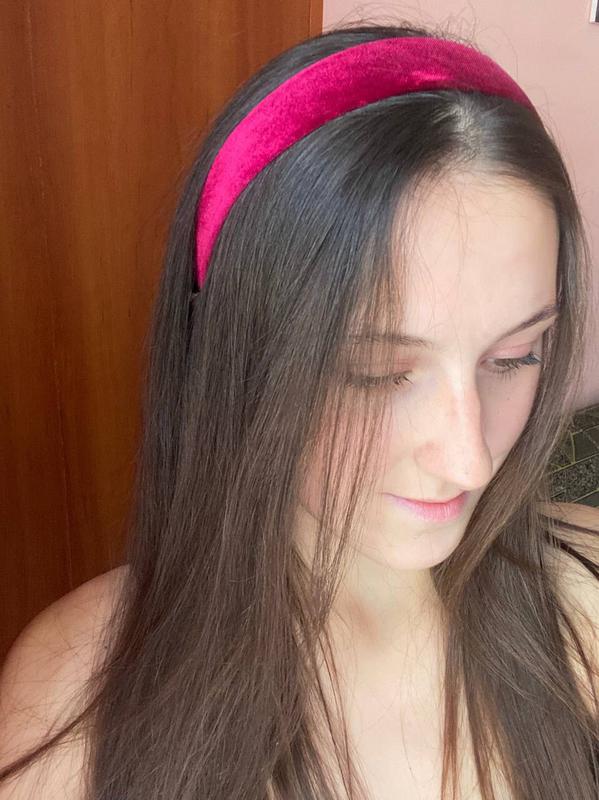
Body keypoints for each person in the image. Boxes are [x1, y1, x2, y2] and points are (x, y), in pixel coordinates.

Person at [1, 20, 599, 800]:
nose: (470, 458)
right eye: (375, 372)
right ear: (239, 352)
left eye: (513, 356)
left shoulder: (584, 598)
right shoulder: (80, 706)